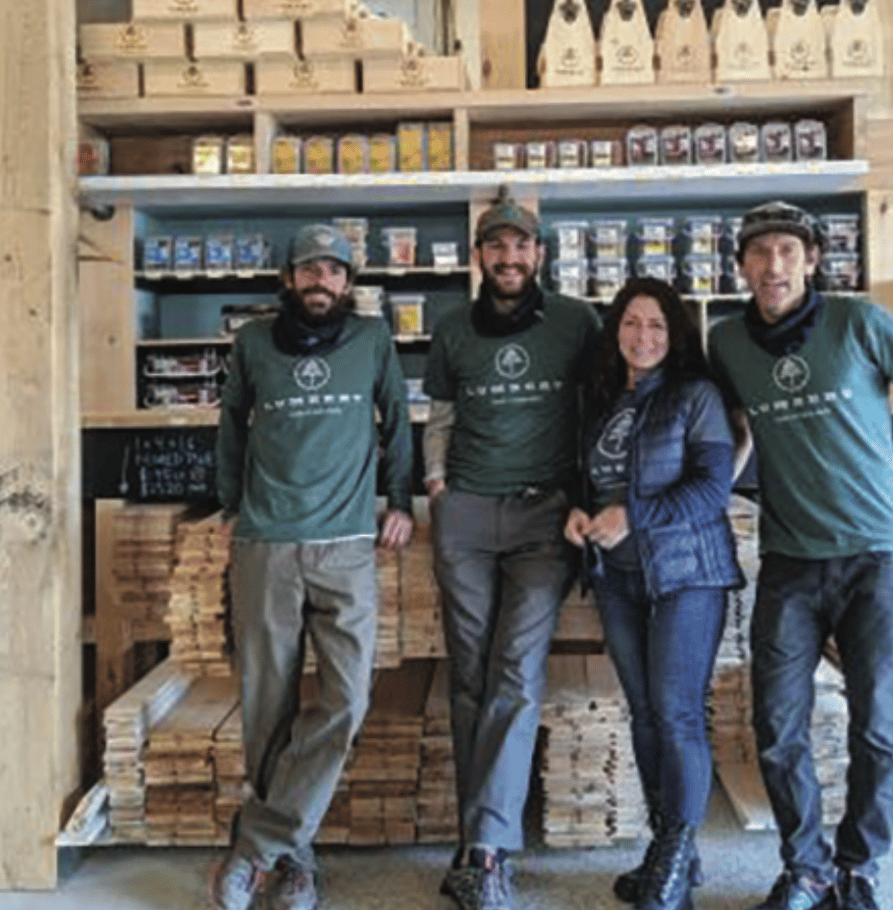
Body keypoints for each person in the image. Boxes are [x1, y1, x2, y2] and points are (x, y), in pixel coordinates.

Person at [707, 201, 893, 910]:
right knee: (777, 724)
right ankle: (806, 868)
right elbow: (739, 429)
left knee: (878, 727)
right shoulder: (727, 342)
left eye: (788, 252)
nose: (773, 266)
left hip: (877, 558)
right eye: (759, 253)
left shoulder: (856, 320)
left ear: (812, 260)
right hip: (791, 560)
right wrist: (706, 499)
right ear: (741, 266)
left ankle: (859, 867)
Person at [211, 223, 415, 910]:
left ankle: (258, 845)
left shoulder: (372, 340)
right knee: (267, 707)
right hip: (266, 541)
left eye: (334, 272)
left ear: (349, 283)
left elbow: (399, 421)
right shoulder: (252, 343)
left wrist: (400, 499)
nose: (321, 282)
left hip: (348, 542)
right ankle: (296, 862)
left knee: (347, 699)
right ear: (288, 280)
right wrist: (230, 504)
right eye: (309, 271)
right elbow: (232, 422)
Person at [423, 187, 601, 910]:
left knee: (516, 671)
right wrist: (435, 481)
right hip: (465, 512)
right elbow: (441, 414)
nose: (508, 256)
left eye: (520, 245)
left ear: (539, 254)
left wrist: (588, 496)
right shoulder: (451, 328)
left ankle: (488, 849)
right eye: (495, 245)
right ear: (479, 257)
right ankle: (479, 837)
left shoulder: (577, 322)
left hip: (542, 516)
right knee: (468, 674)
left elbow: (599, 410)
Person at [564, 278, 743, 910]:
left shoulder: (696, 396)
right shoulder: (604, 399)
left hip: (688, 574)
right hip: (619, 576)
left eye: (657, 326)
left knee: (676, 713)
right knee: (643, 714)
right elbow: (590, 481)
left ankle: (668, 859)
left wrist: (633, 516)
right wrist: (579, 514)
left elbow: (710, 490)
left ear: (676, 335)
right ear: (616, 331)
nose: (644, 336)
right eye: (633, 323)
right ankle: (676, 859)